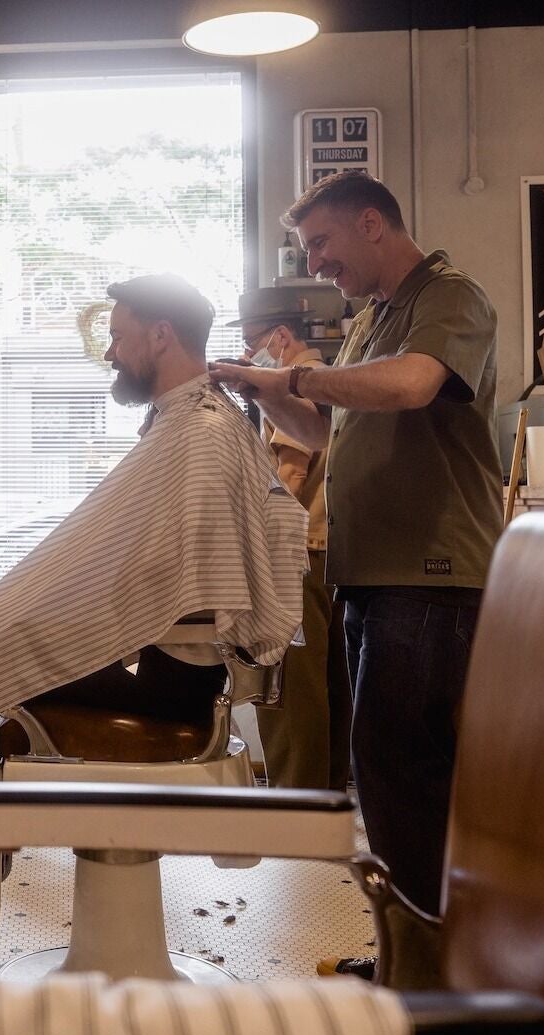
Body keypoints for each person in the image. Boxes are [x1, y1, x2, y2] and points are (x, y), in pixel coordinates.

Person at [0, 273, 308, 916]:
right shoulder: (199, 421)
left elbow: (158, 578)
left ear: (160, 335)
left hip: (174, 689)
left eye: (119, 339)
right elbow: (132, 562)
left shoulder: (198, 435)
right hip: (177, 670)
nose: (111, 353)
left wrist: (27, 613)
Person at [211, 172, 503, 977]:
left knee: (406, 776)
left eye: (323, 246)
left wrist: (294, 374)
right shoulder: (371, 316)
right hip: (371, 573)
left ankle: (433, 968)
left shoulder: (450, 297)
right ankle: (413, 952)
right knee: (385, 779)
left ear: (371, 223)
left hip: (432, 573)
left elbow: (411, 386)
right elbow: (321, 426)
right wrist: (258, 388)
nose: (319, 266)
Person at [225, 288, 352, 793]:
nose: (249, 353)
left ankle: (297, 809)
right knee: (327, 692)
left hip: (299, 557)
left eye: (252, 342)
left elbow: (289, 480)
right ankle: (325, 801)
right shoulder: (327, 383)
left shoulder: (295, 386)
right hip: (328, 554)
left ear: (280, 337)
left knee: (290, 697)